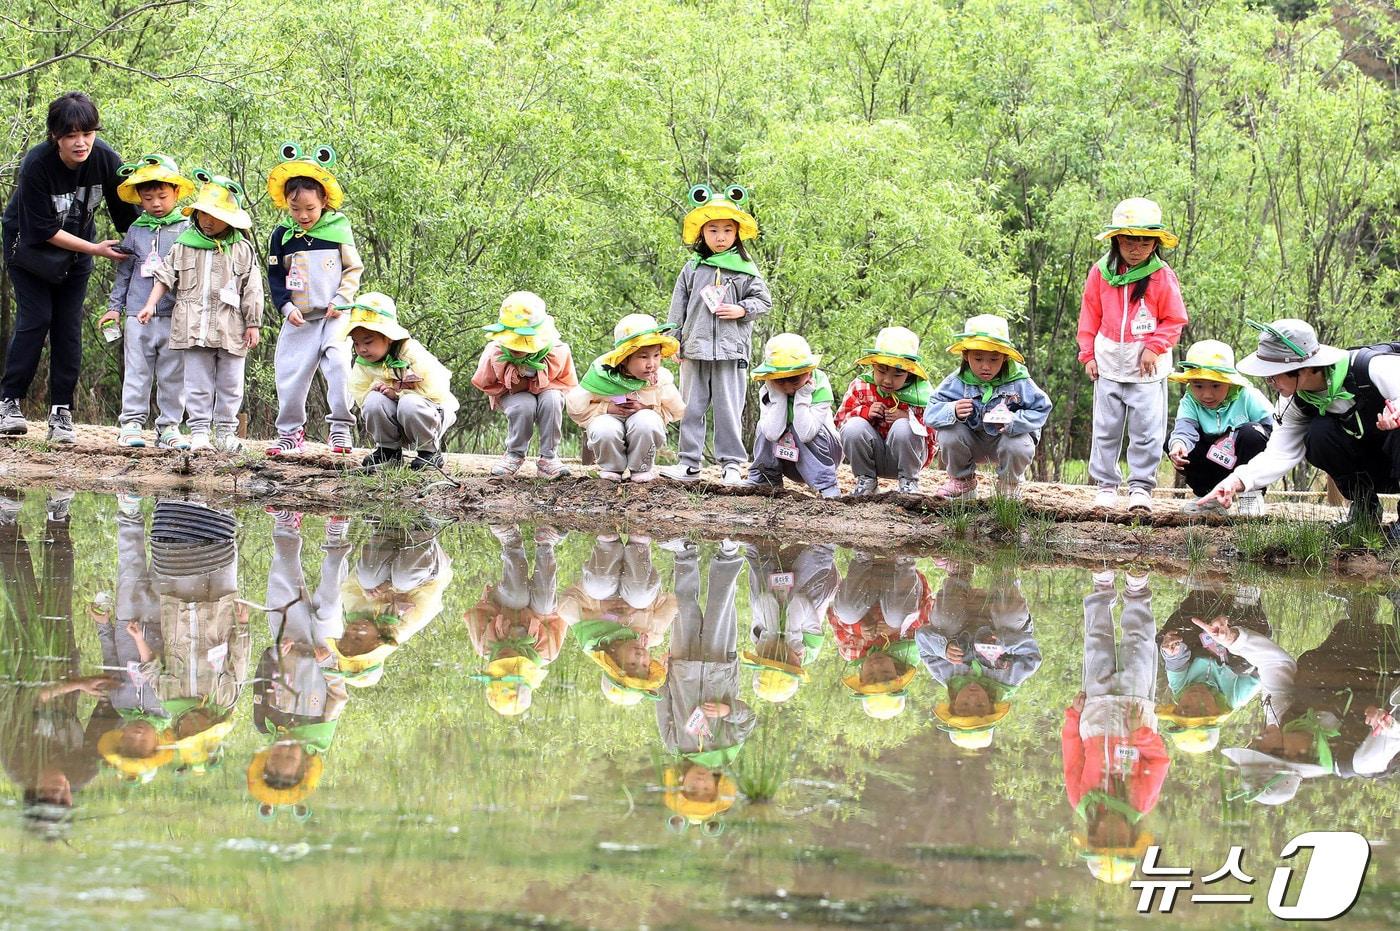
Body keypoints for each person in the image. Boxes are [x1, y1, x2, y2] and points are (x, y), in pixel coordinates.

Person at [1, 92, 139, 442]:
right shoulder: (37, 164)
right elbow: (42, 230)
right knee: (36, 320)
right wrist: (95, 249)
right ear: (55, 137)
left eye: (87, 133)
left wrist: (161, 239)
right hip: (29, 251)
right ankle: (8, 403)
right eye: (71, 135)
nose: (81, 143)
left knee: (68, 325)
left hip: (76, 254)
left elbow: (127, 216)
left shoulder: (105, 159)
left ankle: (61, 412)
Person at [1200, 319, 1400, 533]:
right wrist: (1236, 481)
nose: (1270, 382)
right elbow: (1280, 453)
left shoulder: (1375, 368)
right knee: (1319, 433)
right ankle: (1364, 511)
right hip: (1378, 467)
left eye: (1273, 375)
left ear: (1302, 369)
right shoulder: (1294, 401)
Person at [138, 171, 262, 453]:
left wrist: (253, 324)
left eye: (214, 215)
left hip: (232, 329)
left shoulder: (242, 249)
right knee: (196, 383)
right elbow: (165, 277)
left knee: (230, 384)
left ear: (228, 218)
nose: (207, 221)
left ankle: (226, 432)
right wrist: (149, 305)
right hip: (192, 327)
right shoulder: (184, 245)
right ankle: (199, 432)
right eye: (203, 214)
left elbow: (252, 289)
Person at [1077, 198, 1189, 512]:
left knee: (1146, 431)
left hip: (1146, 370)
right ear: (1117, 240)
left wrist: (1154, 347)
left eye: (1144, 241)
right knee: (1106, 428)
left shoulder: (1162, 275)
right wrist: (1088, 355)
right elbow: (1089, 316)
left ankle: (1140, 487)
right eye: (1129, 240)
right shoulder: (1101, 272)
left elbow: (1174, 319)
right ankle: (1106, 486)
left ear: (1155, 243)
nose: (1136, 248)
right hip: (1109, 363)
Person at [1063, 569, 1170, 884]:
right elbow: (1159, 761)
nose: (1111, 833)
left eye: (1103, 841)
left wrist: (1073, 715)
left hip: (1095, 714)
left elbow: (1072, 757)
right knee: (1140, 646)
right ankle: (1137, 591)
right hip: (1134, 713)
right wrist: (1140, 734)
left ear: (1092, 836)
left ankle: (1101, 587)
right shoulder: (1141, 801)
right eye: (1118, 841)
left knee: (1096, 647)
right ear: (1130, 836)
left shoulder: (1082, 800)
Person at [662, 183, 772, 485]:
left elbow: (764, 302)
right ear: (702, 234)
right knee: (690, 408)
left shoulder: (746, 269)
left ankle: (732, 465)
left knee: (728, 410)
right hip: (694, 351)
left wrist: (741, 309)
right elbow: (677, 309)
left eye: (727, 230)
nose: (720, 237)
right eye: (713, 231)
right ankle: (688, 464)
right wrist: (674, 342)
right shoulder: (692, 268)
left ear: (737, 233)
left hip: (731, 352)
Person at [265, 142, 363, 457]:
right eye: (296, 209)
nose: (303, 215)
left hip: (336, 315)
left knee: (338, 366)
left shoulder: (339, 228)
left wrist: (342, 299)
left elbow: (353, 269)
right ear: (286, 205)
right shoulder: (281, 235)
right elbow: (276, 277)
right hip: (299, 317)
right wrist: (285, 306)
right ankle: (290, 433)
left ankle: (340, 431)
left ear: (323, 200)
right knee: (289, 373)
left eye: (310, 208)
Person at [658, 538, 755, 832]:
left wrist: (662, 675)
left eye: (692, 789)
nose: (699, 784)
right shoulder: (726, 751)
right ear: (716, 785)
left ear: (681, 784)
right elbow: (748, 719)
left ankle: (685, 554)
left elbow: (663, 705)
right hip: (719, 668)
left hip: (682, 668)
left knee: (683, 607)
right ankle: (728, 554)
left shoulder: (674, 745)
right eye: (705, 790)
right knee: (721, 608)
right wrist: (728, 711)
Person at [99, 155, 193, 450]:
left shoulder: (188, 230)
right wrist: (115, 307)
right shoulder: (136, 230)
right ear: (138, 198)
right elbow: (125, 271)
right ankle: (131, 424)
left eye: (162, 196)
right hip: (137, 315)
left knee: (173, 374)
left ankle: (169, 427)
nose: (155, 203)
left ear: (176, 193)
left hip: (174, 315)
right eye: (148, 197)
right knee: (137, 370)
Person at [925, 314, 1052, 500]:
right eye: (978, 359)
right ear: (966, 356)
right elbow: (930, 413)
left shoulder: (1020, 382)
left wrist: (1014, 421)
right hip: (971, 442)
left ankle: (1008, 485)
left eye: (994, 359)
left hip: (1005, 441)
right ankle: (963, 481)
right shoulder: (956, 382)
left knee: (1020, 443)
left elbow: (1041, 408)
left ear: (1005, 358)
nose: (986, 366)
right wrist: (952, 410)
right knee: (948, 433)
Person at [918, 561, 1042, 750]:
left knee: (944, 621)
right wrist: (1004, 643)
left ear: (953, 704)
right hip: (999, 616)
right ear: (991, 707)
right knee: (1011, 618)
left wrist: (942, 648)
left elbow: (921, 639)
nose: (973, 699)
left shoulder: (946, 674)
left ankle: (960, 572)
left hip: (965, 609)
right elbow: (1032, 655)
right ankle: (1003, 572)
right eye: (979, 707)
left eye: (965, 705)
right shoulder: (1007, 680)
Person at [559, 532, 676, 706]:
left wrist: (601, 606)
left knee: (598, 587)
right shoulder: (651, 635)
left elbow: (565, 602)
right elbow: (671, 604)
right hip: (635, 583)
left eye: (631, 663)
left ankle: (608, 544)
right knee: (640, 596)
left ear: (613, 659)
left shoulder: (591, 634)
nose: (640, 657)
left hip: (606, 585)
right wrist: (641, 607)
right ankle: (638, 547)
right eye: (644, 665)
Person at [344, 293, 458, 471]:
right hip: (397, 418)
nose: (362, 349)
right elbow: (360, 393)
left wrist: (397, 393)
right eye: (356, 343)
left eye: (368, 341)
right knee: (373, 400)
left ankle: (429, 451)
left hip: (429, 412)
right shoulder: (364, 363)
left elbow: (436, 388)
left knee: (409, 403)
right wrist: (379, 390)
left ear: (387, 336)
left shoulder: (410, 352)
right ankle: (388, 450)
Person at [471, 291, 578, 479]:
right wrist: (514, 378)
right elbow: (487, 382)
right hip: (512, 392)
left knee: (552, 400)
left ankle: (549, 457)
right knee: (524, 406)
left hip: (548, 388)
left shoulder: (556, 350)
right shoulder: (495, 352)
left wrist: (536, 376)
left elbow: (564, 380)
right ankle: (514, 453)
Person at [464, 524, 567, 717]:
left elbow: (477, 613)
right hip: (539, 610)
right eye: (507, 662)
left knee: (518, 596)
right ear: (520, 666)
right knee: (545, 604)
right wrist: (536, 613)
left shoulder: (486, 646)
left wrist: (498, 610)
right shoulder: (546, 653)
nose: (502, 656)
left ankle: (512, 544)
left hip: (506, 600)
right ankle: (546, 545)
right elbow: (558, 619)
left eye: (499, 663)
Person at [331, 524, 452, 688]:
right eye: (358, 638)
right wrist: (392, 587)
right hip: (429, 567)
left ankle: (385, 530)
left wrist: (369, 590)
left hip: (392, 557)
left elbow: (350, 585)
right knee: (403, 580)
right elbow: (432, 589)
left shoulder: (355, 613)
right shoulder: (402, 627)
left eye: (346, 636)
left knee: (367, 578)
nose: (353, 631)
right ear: (377, 643)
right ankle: (422, 529)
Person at [568, 313, 685, 482]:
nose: (651, 364)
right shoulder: (602, 377)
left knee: (646, 422)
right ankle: (612, 467)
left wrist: (645, 407)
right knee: (604, 428)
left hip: (643, 420)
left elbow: (677, 410)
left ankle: (641, 467)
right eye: (643, 357)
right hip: (608, 418)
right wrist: (607, 408)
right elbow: (575, 408)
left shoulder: (661, 379)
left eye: (656, 356)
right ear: (623, 359)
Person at [1166, 340, 1273, 516]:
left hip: (1243, 459)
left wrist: (1234, 437)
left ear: (1229, 383)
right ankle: (1209, 497)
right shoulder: (1190, 400)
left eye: (1216, 386)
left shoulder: (1248, 396)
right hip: (1211, 460)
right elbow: (1184, 428)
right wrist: (1179, 444)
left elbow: (1272, 429)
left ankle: (1251, 497)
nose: (1207, 394)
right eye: (1198, 385)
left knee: (1252, 433)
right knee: (1173, 442)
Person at [828, 550, 931, 720]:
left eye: (870, 675)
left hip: (867, 583)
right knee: (897, 618)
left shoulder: (851, 652)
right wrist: (897, 628)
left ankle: (862, 556)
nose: (876, 666)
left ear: (861, 676)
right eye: (885, 672)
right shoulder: (910, 649)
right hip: (900, 582)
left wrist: (861, 623)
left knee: (847, 613)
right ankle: (905, 558)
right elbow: (926, 609)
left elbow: (834, 614)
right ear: (897, 672)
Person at [835, 326, 937, 496]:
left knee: (905, 427)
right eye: (881, 371)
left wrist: (908, 417)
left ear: (909, 374)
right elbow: (840, 422)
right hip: (871, 456)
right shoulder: (861, 386)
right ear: (873, 366)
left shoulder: (922, 394)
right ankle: (866, 480)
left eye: (897, 375)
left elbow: (936, 432)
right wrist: (865, 412)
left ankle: (909, 482)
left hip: (908, 458)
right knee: (853, 427)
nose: (888, 380)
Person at [746, 334, 842, 498]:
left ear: (809, 372)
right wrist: (778, 398)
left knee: (800, 428)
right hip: (788, 459)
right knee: (764, 426)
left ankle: (827, 486)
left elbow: (806, 433)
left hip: (823, 455)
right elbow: (771, 433)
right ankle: (766, 479)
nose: (788, 387)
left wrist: (803, 396)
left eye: (794, 379)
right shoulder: (770, 390)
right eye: (780, 380)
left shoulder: (820, 387)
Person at [742, 542, 839, 704]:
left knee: (757, 596)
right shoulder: (809, 649)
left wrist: (771, 632)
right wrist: (791, 635)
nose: (774, 652)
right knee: (801, 595)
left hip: (780, 570)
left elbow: (764, 600)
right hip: (818, 576)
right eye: (779, 658)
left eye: (768, 657)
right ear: (794, 662)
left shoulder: (759, 638)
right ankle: (822, 549)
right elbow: (800, 603)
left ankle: (761, 548)